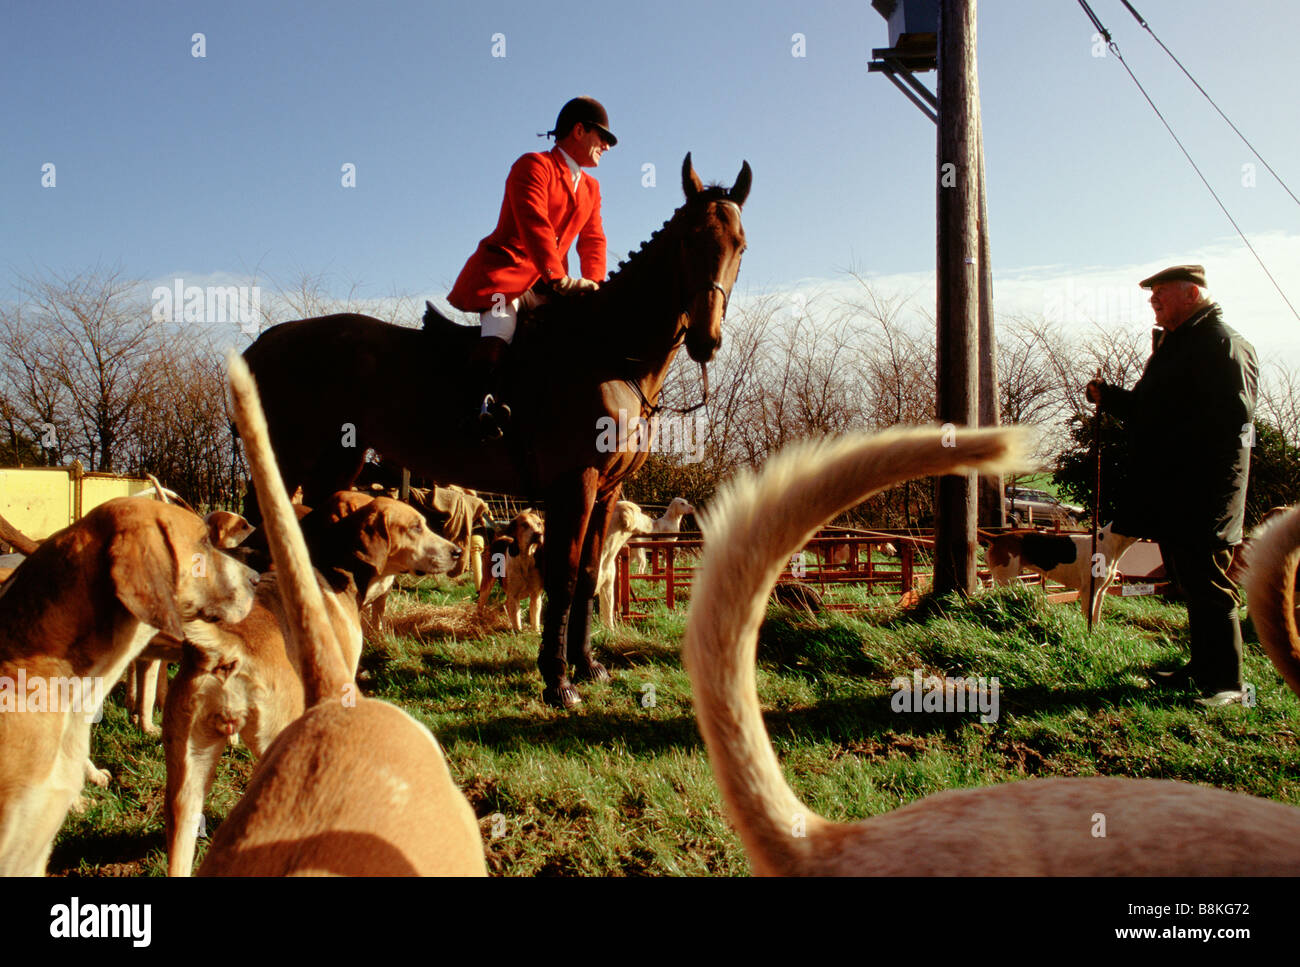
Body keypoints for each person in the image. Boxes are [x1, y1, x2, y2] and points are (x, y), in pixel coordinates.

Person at [1086, 265, 1258, 707]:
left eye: (1160, 293)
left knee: (1210, 582)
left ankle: (1229, 686)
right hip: (1179, 488)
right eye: (1151, 295)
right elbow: (1153, 411)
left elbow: (1235, 425)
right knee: (1189, 579)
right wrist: (1111, 397)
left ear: (1192, 294)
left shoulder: (1222, 344)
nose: (1152, 301)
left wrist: (1212, 484)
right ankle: (1202, 668)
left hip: (1208, 489)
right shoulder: (1182, 344)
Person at [447, 96, 615, 439]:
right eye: (603, 137)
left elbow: (593, 241)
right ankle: (477, 409)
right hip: (505, 277)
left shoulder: (592, 189)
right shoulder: (532, 166)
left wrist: (596, 286)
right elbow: (534, 225)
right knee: (501, 328)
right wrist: (560, 278)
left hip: (550, 285)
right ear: (579, 130)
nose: (606, 147)